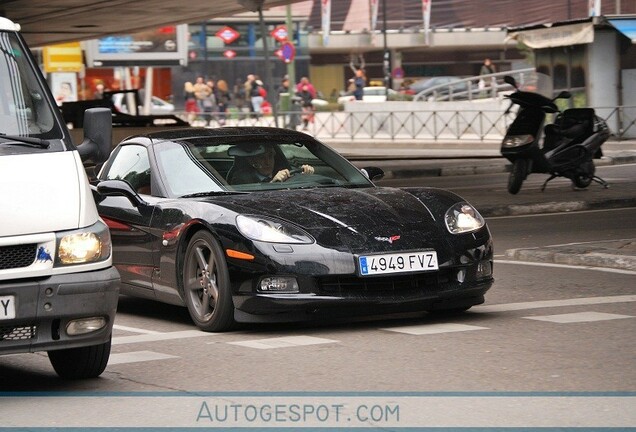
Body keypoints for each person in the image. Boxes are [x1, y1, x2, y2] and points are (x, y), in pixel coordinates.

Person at [227, 143, 314, 185]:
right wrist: (273, 183)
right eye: (261, 158)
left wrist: (304, 176)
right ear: (252, 161)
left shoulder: (285, 172)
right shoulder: (241, 178)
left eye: (270, 156)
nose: (267, 162)